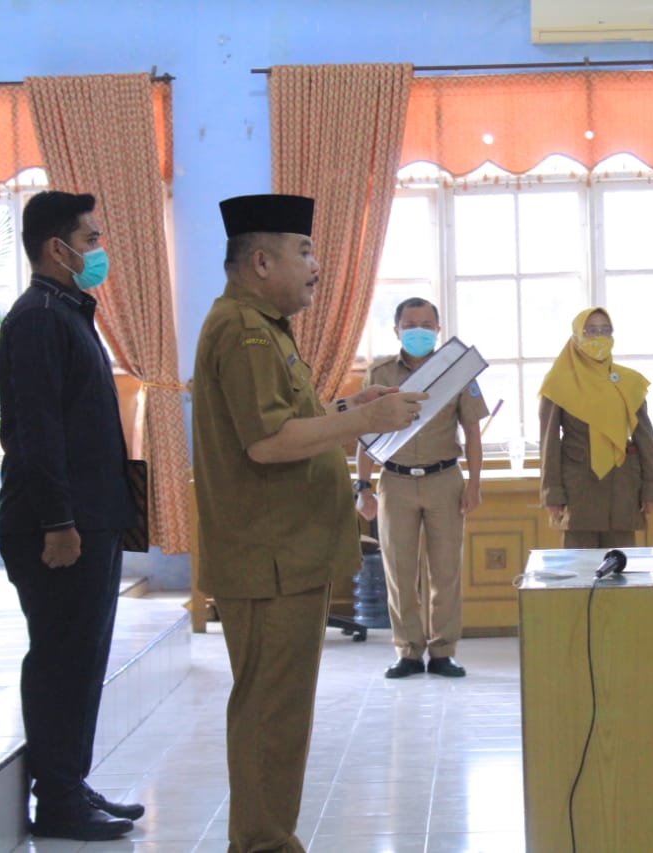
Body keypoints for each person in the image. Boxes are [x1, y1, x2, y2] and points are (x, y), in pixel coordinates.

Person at [191, 194, 425, 853]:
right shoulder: (242, 330)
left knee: (281, 710)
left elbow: (291, 418)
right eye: (305, 252)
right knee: (271, 710)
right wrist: (362, 422)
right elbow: (267, 442)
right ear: (261, 261)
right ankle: (261, 842)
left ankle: (267, 836)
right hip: (268, 558)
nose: (316, 266)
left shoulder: (263, 325)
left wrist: (353, 403)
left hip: (287, 554)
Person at [0, 190, 144, 841]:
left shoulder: (67, 312)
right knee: (61, 657)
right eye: (90, 239)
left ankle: (69, 779)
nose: (97, 250)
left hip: (88, 519)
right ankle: (55, 797)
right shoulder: (36, 320)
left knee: (83, 658)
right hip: (59, 526)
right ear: (57, 249)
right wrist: (58, 520)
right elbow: (35, 432)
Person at [355, 298, 488, 679]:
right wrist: (363, 488)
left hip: (444, 480)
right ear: (396, 330)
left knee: (445, 572)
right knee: (399, 571)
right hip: (394, 482)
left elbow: (473, 431)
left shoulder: (456, 373)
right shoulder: (380, 374)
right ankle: (408, 651)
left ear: (439, 329)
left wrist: (475, 483)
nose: (419, 330)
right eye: (410, 324)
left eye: (426, 324)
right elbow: (365, 434)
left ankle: (443, 650)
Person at [539, 307, 653, 548]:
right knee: (580, 571)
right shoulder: (558, 383)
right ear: (576, 335)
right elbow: (549, 444)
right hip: (577, 489)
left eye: (605, 331)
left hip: (622, 488)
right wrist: (552, 493)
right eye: (591, 331)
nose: (599, 337)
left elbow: (645, 439)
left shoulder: (628, 382)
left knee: (621, 569)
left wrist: (650, 488)